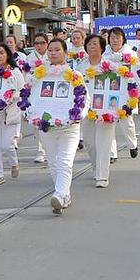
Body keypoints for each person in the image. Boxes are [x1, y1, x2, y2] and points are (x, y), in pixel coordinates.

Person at [38, 38, 82, 213]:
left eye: (57, 50)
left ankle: (59, 193)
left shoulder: (75, 75)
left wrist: (78, 115)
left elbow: (83, 99)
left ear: (65, 52)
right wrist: (31, 114)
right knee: (53, 162)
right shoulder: (39, 75)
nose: (53, 53)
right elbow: (32, 98)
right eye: (50, 50)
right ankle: (64, 195)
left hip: (69, 127)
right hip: (47, 126)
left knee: (65, 161)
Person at [0, 42, 24, 185]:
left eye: (2, 53)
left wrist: (10, 97)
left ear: (7, 54)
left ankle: (14, 163)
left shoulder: (15, 71)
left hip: (10, 112)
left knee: (7, 145)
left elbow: (22, 91)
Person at [81, 34, 116, 187]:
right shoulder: (80, 66)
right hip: (86, 109)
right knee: (89, 142)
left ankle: (103, 176)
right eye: (89, 44)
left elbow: (119, 84)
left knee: (104, 142)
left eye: (95, 44)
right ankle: (96, 167)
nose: (92, 46)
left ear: (102, 47)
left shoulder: (110, 65)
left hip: (106, 110)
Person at [104, 27, 139, 160]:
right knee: (109, 122)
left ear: (123, 39)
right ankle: (112, 153)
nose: (115, 40)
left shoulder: (131, 55)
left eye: (118, 38)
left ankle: (133, 144)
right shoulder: (104, 55)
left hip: (125, 92)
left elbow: (137, 74)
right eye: (112, 38)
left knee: (127, 122)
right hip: (109, 91)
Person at [30, 33, 50, 164]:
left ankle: (48, 150)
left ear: (47, 43)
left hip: (50, 93)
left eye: (42, 43)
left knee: (49, 121)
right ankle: (40, 150)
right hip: (35, 93)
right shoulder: (29, 58)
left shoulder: (52, 55)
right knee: (36, 123)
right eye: (36, 43)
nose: (39, 46)